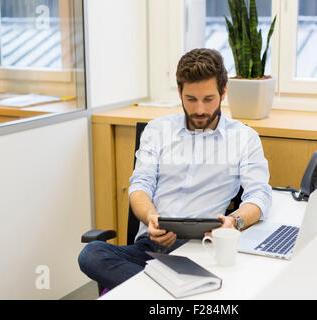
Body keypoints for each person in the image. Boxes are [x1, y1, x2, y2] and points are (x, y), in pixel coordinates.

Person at [78, 48, 272, 291]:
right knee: (91, 254)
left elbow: (259, 195)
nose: (200, 109)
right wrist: (150, 218)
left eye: (208, 99)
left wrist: (234, 221)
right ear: (179, 92)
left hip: (197, 251)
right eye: (191, 99)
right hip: (149, 247)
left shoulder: (244, 138)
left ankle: (155, 292)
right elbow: (140, 186)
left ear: (223, 93)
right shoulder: (157, 130)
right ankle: (175, 292)